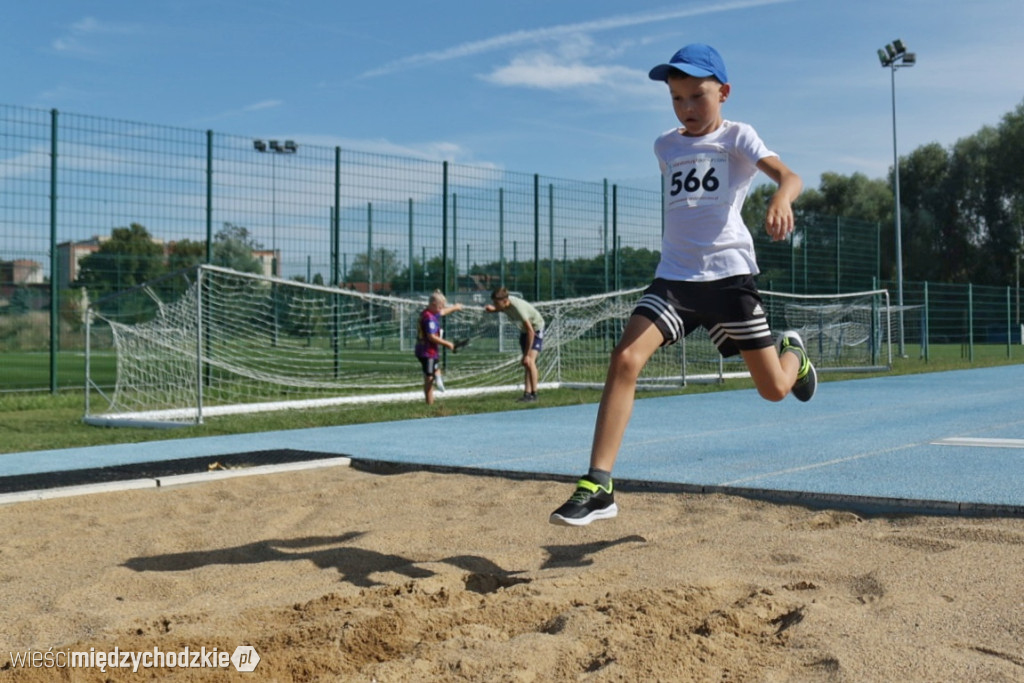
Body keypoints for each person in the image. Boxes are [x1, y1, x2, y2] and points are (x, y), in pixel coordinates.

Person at [549, 43, 817, 527]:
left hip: (729, 279)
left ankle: (793, 354)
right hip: (674, 279)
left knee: (774, 390)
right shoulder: (665, 147)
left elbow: (790, 175)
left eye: (697, 96)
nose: (687, 108)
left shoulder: (739, 136)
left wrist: (781, 196)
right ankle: (599, 483)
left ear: (724, 92)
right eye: (676, 98)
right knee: (625, 358)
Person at [484, 286, 545, 402]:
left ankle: (535, 394)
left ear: (505, 301)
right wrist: (494, 310)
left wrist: (526, 354)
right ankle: (527, 394)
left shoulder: (518, 308)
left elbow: (531, 331)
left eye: (496, 303)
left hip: (535, 329)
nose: (495, 305)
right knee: (527, 364)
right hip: (524, 331)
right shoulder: (505, 304)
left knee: (530, 361)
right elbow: (503, 308)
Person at [415, 290, 463, 405]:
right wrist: (448, 344)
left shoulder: (429, 312)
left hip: (430, 351)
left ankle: (438, 378)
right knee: (429, 378)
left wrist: (455, 307)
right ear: (433, 305)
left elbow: (442, 312)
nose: (442, 308)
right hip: (427, 352)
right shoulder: (429, 318)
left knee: (434, 370)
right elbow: (431, 337)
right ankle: (429, 403)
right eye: (440, 306)